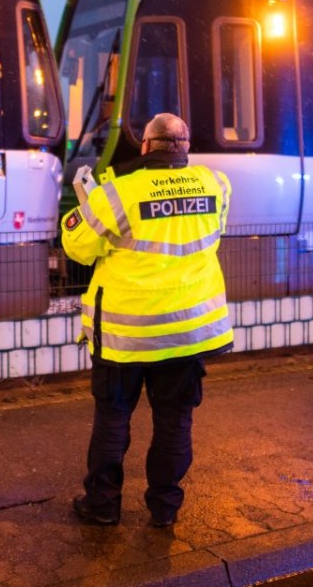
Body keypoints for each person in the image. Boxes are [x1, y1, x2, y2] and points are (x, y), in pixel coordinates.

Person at [61, 112, 233, 528]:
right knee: (174, 422)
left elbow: (77, 248)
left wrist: (86, 205)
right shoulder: (217, 185)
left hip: (126, 336)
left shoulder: (116, 194)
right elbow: (211, 233)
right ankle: (165, 509)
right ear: (186, 147)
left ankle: (102, 505)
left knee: (113, 421)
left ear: (145, 147)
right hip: (187, 332)